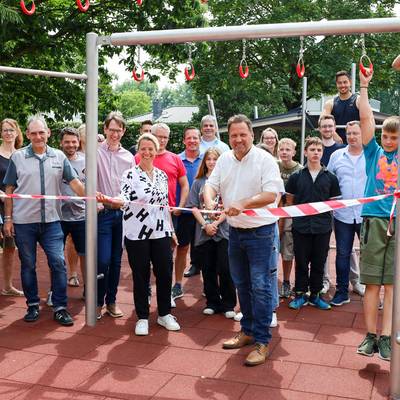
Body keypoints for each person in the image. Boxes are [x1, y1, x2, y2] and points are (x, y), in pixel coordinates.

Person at [204, 114, 284, 366]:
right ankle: (248, 331)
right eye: (234, 135)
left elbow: (271, 194)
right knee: (241, 283)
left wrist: (243, 203)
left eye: (242, 134)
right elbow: (210, 185)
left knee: (260, 286)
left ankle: (262, 340)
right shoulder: (225, 158)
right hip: (235, 232)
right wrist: (210, 202)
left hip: (261, 232)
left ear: (251, 134)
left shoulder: (265, 160)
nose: (238, 139)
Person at [3, 115, 85, 326]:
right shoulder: (18, 158)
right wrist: (9, 219)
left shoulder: (59, 157)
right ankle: (32, 305)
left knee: (58, 263)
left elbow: (74, 183)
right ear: (28, 135)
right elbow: (9, 189)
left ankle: (59, 307)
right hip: (24, 222)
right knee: (28, 264)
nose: (38, 137)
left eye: (42, 132)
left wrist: (93, 196)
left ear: (48, 133)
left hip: (52, 222)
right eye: (34, 133)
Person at [100, 133, 180, 335]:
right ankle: (142, 317)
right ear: (138, 151)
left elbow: (164, 206)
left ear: (155, 151)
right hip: (137, 233)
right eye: (143, 148)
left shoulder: (162, 175)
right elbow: (124, 197)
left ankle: (164, 314)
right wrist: (112, 200)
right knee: (141, 275)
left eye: (150, 148)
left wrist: (171, 230)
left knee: (164, 272)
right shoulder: (130, 175)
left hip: (161, 231)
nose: (146, 152)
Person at [356, 69, 398, 361]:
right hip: (374, 219)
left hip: (397, 221)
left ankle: (385, 337)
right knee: (372, 282)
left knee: (392, 284)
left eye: (394, 137)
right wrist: (364, 86)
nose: (389, 140)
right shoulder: (373, 151)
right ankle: (370, 336)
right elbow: (366, 118)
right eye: (386, 135)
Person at [286, 137, 341, 311]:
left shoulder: (331, 178)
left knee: (319, 261)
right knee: (301, 261)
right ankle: (300, 294)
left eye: (319, 150)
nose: (315, 153)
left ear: (322, 153)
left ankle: (316, 295)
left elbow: (333, 203)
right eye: (312, 150)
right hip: (301, 227)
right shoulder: (296, 177)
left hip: (322, 228)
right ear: (305, 152)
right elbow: (290, 201)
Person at [136, 123, 189, 300]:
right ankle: (148, 290)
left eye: (166, 137)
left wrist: (179, 206)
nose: (163, 140)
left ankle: (167, 294)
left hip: (168, 215)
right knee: (146, 256)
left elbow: (184, 184)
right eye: (159, 136)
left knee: (166, 257)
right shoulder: (139, 157)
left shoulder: (175, 158)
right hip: (144, 217)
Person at [187, 147, 236, 318]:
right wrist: (205, 225)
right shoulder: (198, 182)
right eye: (209, 159)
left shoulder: (227, 181)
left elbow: (229, 206)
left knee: (225, 268)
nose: (212, 162)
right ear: (204, 162)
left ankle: (229, 303)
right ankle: (212, 302)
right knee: (207, 268)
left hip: (223, 232)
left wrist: (215, 223)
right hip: (204, 233)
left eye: (215, 159)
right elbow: (193, 206)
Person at [97, 111, 135, 319]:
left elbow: (130, 188)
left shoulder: (128, 158)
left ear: (123, 132)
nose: (114, 134)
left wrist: (123, 199)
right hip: (102, 214)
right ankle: (97, 301)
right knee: (102, 261)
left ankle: (111, 301)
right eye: (111, 130)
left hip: (121, 215)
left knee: (116, 260)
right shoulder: (95, 153)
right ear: (105, 129)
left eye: (118, 131)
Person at [59, 127, 86, 298]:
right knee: (56, 256)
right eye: (67, 142)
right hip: (58, 216)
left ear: (78, 142)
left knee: (85, 254)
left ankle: (88, 289)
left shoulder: (86, 161)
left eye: (73, 142)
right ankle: (56, 290)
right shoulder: (55, 160)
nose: (70, 145)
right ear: (61, 143)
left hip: (82, 215)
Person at [175, 128, 203, 284]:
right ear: (184, 141)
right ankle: (177, 284)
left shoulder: (208, 159)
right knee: (182, 247)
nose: (192, 141)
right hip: (184, 212)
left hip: (203, 213)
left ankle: (209, 288)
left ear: (200, 140)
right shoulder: (177, 159)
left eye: (195, 138)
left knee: (206, 250)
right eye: (189, 138)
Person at [0, 118, 24, 297]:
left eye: (11, 130)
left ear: (17, 132)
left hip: (16, 208)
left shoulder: (21, 155)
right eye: (5, 130)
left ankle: (7, 286)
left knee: (10, 247)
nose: (8, 133)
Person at [277, 138, 302, 298]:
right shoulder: (273, 166)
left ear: (294, 152)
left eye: (288, 149)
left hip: (290, 211)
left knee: (287, 247)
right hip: (273, 209)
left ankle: (286, 281)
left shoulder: (299, 170)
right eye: (282, 149)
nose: (284, 152)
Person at [323, 70, 360, 144]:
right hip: (336, 144)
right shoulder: (330, 103)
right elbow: (322, 121)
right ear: (336, 84)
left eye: (345, 82)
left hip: (356, 144)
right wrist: (334, 135)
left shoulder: (358, 100)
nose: (343, 85)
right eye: (340, 83)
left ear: (350, 82)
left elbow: (367, 120)